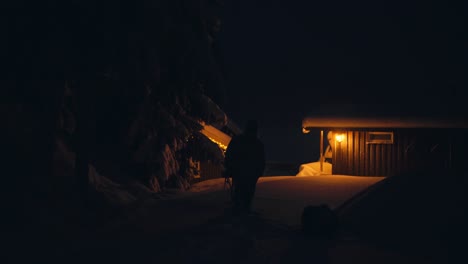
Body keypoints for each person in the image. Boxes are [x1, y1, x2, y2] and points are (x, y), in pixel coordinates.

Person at [224, 119, 265, 216]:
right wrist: (258, 172)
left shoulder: (238, 140)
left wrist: (230, 168)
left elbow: (229, 155)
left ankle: (239, 214)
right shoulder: (257, 144)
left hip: (240, 173)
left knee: (239, 193)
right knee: (247, 195)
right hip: (249, 174)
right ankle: (243, 213)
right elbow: (261, 161)